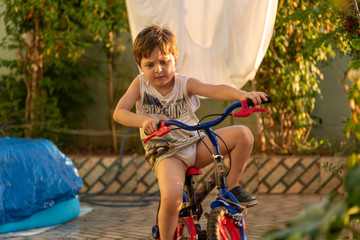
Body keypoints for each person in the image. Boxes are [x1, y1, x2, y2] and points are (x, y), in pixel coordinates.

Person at [113, 25, 268, 240]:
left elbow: (214, 89)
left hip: (195, 144)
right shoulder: (140, 85)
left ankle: (231, 187)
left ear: (174, 59)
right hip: (167, 152)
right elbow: (119, 113)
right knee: (173, 198)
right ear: (139, 65)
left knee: (244, 134)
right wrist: (143, 120)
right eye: (150, 65)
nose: (158, 69)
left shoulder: (184, 84)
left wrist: (244, 95)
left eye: (164, 62)